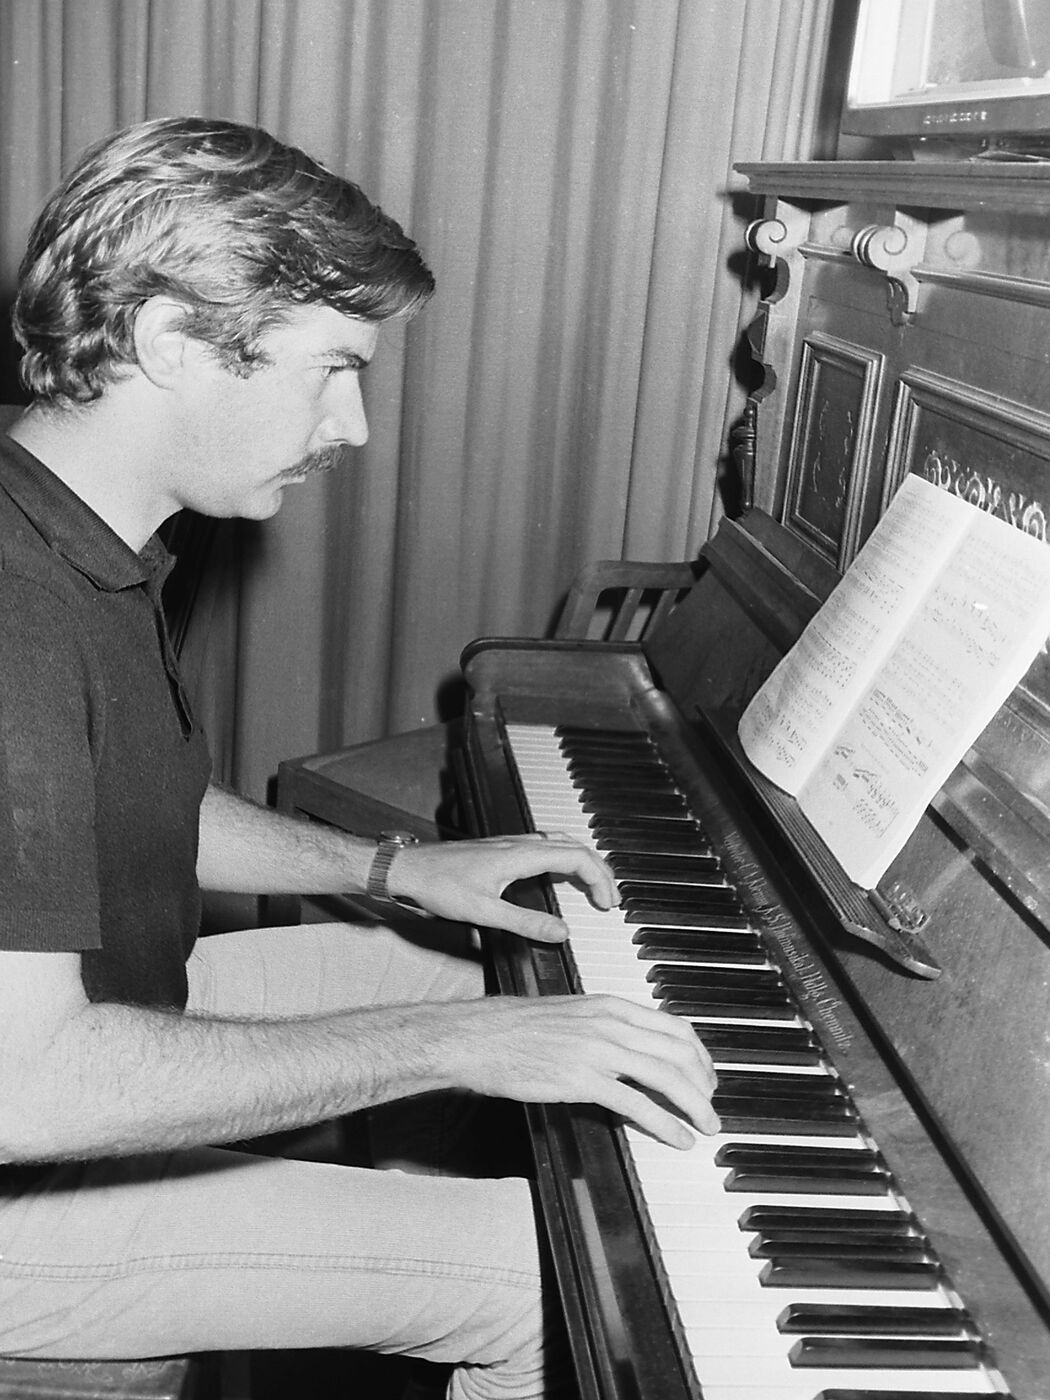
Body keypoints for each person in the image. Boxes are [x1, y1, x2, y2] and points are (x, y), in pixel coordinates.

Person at [0, 117, 719, 1399]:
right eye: (333, 367)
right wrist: (457, 1048)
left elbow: (141, 799)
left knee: (488, 970)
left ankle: (376, 1234)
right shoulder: (14, 610)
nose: (358, 424)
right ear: (171, 341)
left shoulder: (78, 523)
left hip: (97, 1013)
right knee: (566, 1282)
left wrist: (392, 870)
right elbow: (30, 1088)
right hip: (27, 1160)